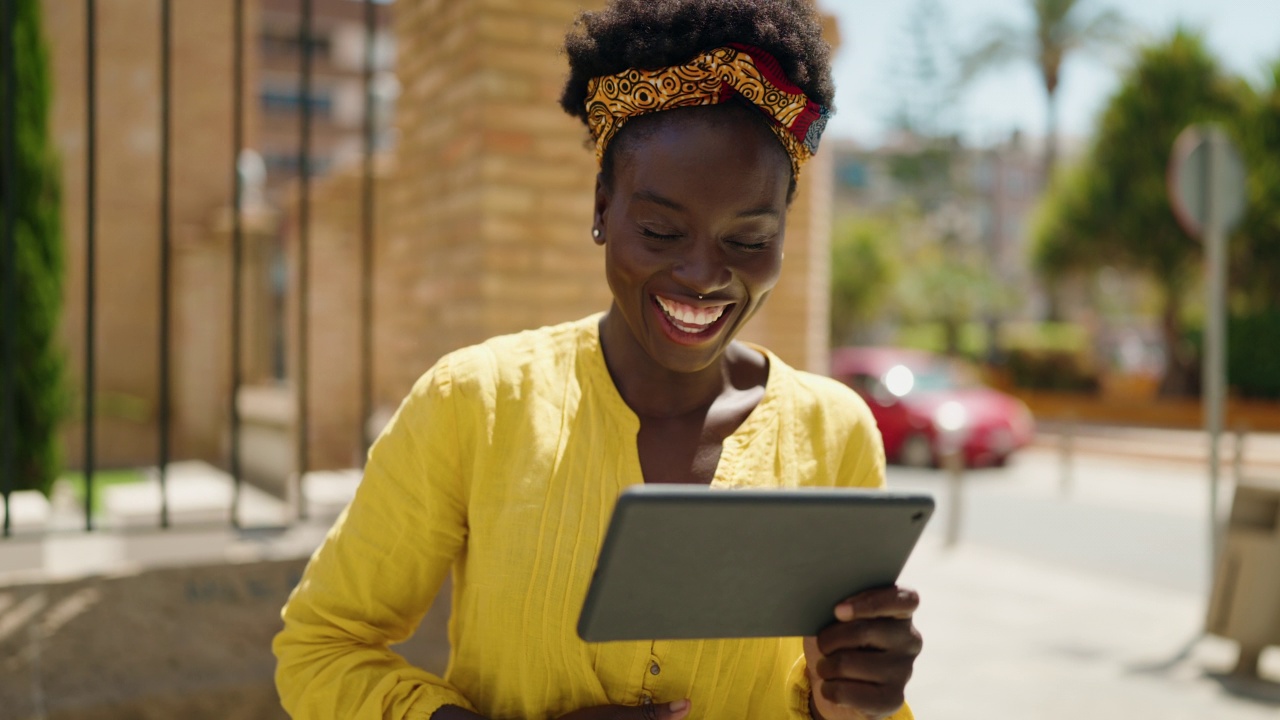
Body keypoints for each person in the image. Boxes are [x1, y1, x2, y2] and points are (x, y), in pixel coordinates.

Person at [273, 1, 922, 718]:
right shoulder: (474, 404)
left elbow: (840, 701)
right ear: (602, 208)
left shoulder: (835, 434)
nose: (704, 276)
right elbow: (321, 646)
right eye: (659, 229)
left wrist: (853, 699)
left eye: (747, 238)